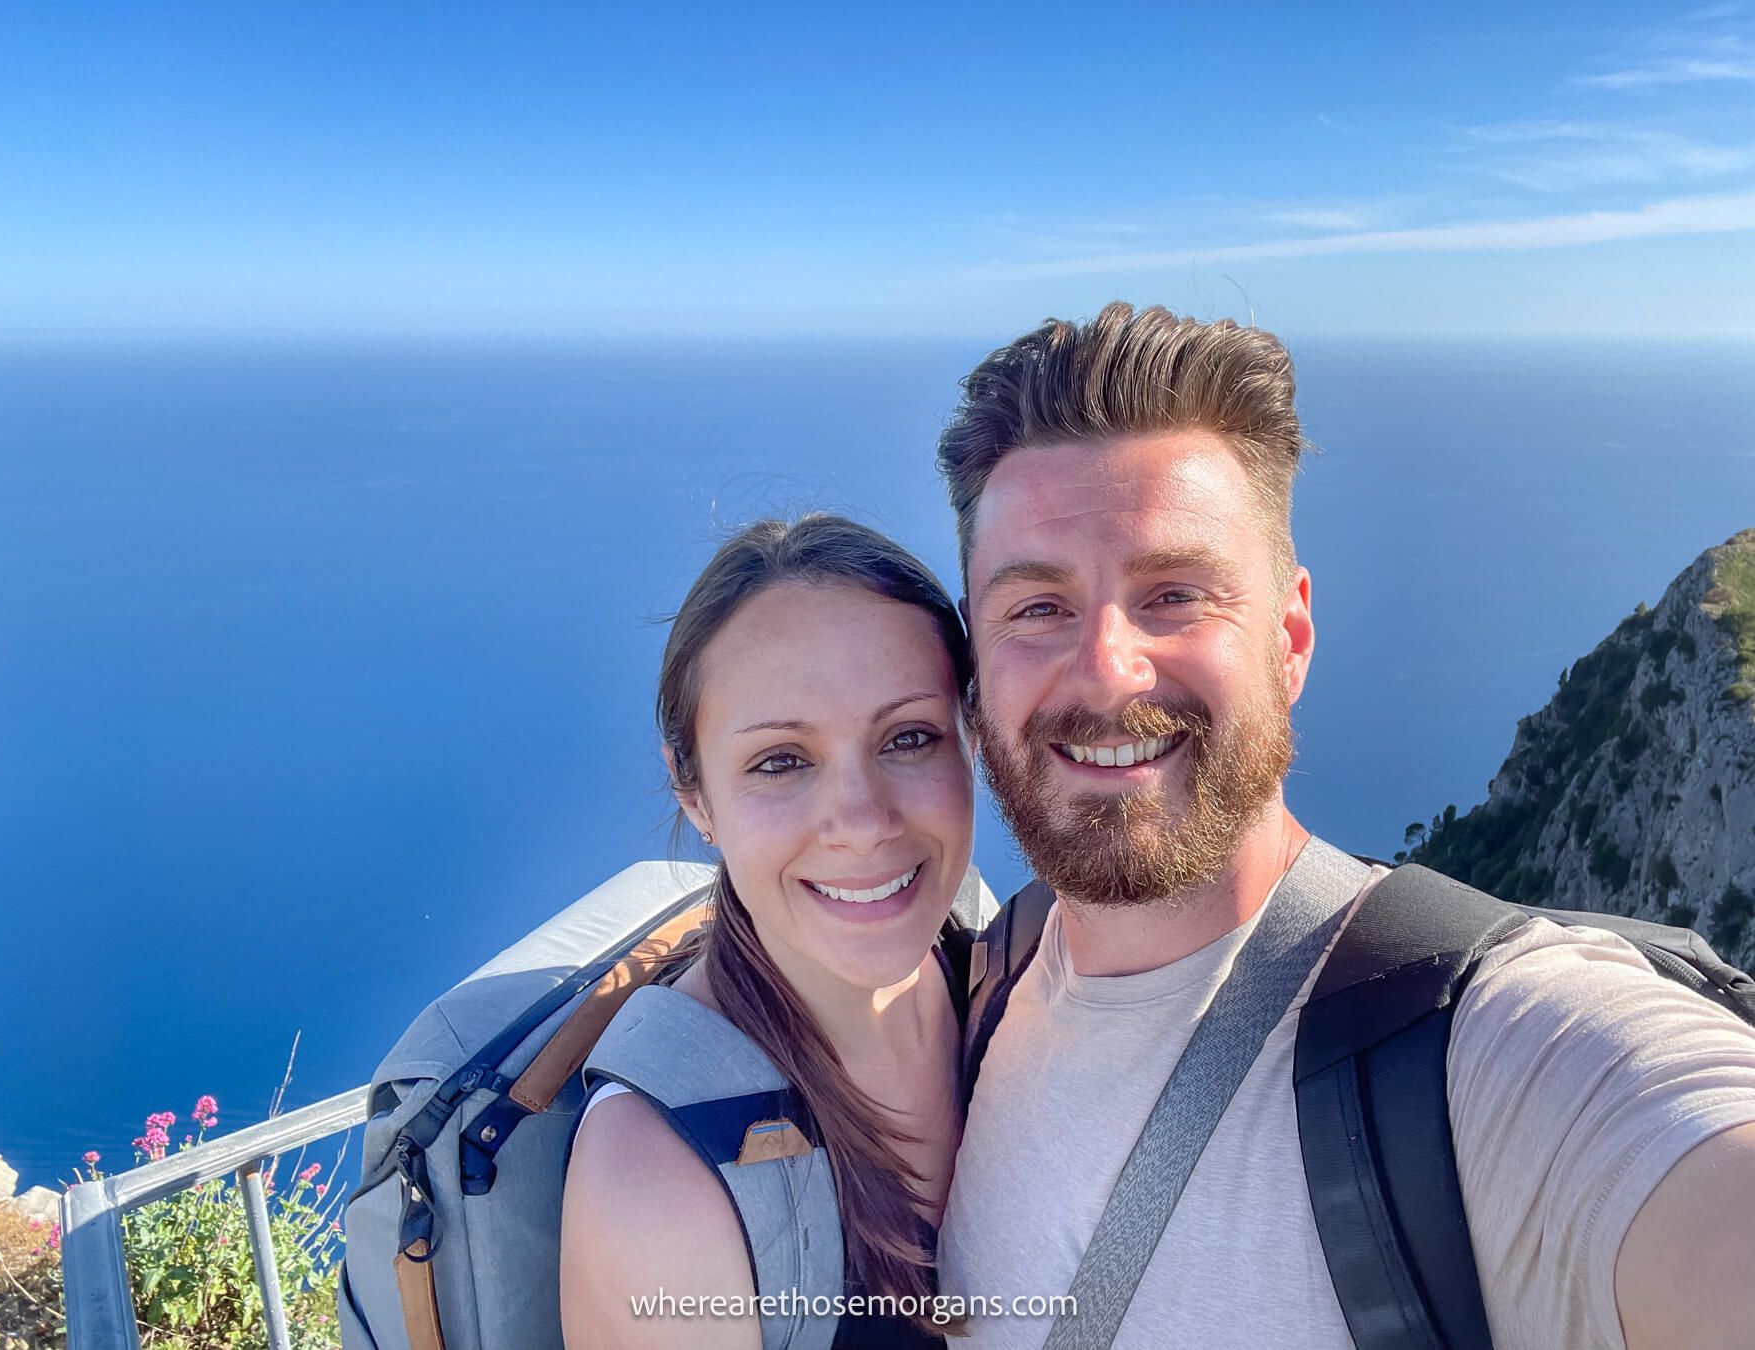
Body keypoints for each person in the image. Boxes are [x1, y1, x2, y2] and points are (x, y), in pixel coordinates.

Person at [933, 302, 1755, 1349]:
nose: (1106, 667)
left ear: (1290, 639)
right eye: (1036, 608)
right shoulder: (980, 997)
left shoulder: (1483, 1049)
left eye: (1175, 595)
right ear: (974, 665)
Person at [560, 515, 975, 1348]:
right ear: (696, 796)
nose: (861, 823)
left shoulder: (1004, 976)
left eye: (910, 737)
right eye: (781, 760)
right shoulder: (658, 1189)